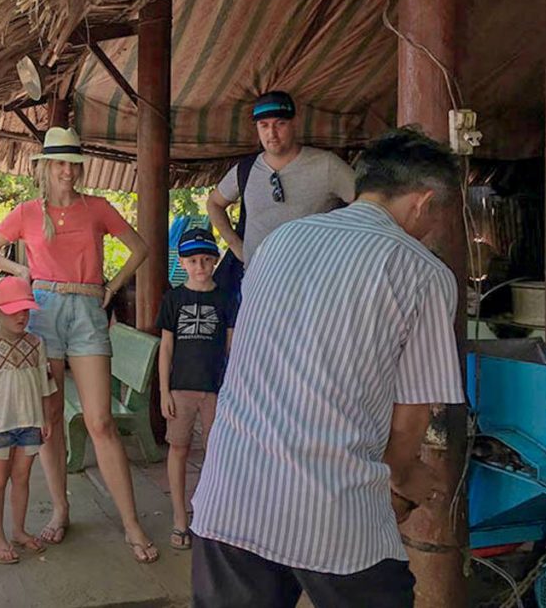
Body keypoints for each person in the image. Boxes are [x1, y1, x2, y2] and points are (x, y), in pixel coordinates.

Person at [190, 129, 467, 607]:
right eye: (442, 213)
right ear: (423, 203)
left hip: (231, 492)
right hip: (333, 509)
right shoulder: (422, 272)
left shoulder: (280, 242)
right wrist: (402, 477)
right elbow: (413, 414)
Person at [0, 126, 158, 563]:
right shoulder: (26, 212)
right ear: (45, 168)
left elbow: (140, 246)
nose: (67, 172)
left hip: (87, 309)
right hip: (44, 310)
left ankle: (131, 523)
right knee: (51, 416)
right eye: (59, 163)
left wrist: (112, 286)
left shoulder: (97, 208)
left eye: (73, 164)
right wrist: (21, 275)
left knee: (100, 421)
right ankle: (60, 509)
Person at [207, 91, 356, 279]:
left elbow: (371, 204)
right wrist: (236, 245)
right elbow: (214, 204)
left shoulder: (327, 165)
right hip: (257, 283)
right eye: (264, 125)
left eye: (280, 124)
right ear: (257, 128)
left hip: (315, 283)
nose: (272, 133)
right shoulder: (245, 169)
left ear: (295, 123)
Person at [0, 277, 56, 564]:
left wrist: (46, 417)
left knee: (22, 477)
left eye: (26, 310)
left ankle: (18, 530)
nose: (21, 316)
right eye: (14, 310)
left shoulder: (36, 343)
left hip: (30, 423)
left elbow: (44, 384)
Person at [156, 228, 235, 552]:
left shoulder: (226, 298)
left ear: (215, 261)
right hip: (181, 390)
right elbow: (166, 348)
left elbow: (232, 348)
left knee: (216, 454)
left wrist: (232, 389)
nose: (200, 266)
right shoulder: (174, 299)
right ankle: (179, 516)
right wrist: (164, 391)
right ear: (183, 262)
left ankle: (210, 514)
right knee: (178, 449)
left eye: (206, 260)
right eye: (193, 260)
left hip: (216, 390)